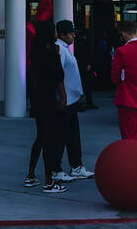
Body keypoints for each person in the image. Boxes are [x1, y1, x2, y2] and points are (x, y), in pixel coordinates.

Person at [24, 21, 67, 194]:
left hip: (37, 98)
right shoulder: (52, 53)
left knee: (40, 137)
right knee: (49, 140)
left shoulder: (35, 52)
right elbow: (59, 77)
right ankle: (49, 181)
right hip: (49, 98)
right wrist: (64, 98)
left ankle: (31, 175)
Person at [50, 20, 92, 181]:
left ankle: (76, 166)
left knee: (72, 135)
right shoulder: (59, 48)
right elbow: (57, 75)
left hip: (71, 100)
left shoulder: (65, 49)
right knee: (61, 136)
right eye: (71, 32)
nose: (74, 35)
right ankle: (56, 169)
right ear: (62, 34)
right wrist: (61, 98)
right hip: (65, 101)